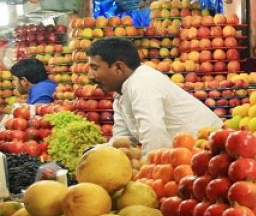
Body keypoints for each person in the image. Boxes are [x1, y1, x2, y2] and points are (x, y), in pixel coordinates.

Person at [86, 37, 223, 154]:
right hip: (183, 154)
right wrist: (99, 151)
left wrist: (147, 172)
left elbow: (154, 133)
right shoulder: (121, 93)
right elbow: (123, 139)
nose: (90, 76)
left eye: (95, 68)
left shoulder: (143, 82)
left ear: (119, 68)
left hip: (210, 148)